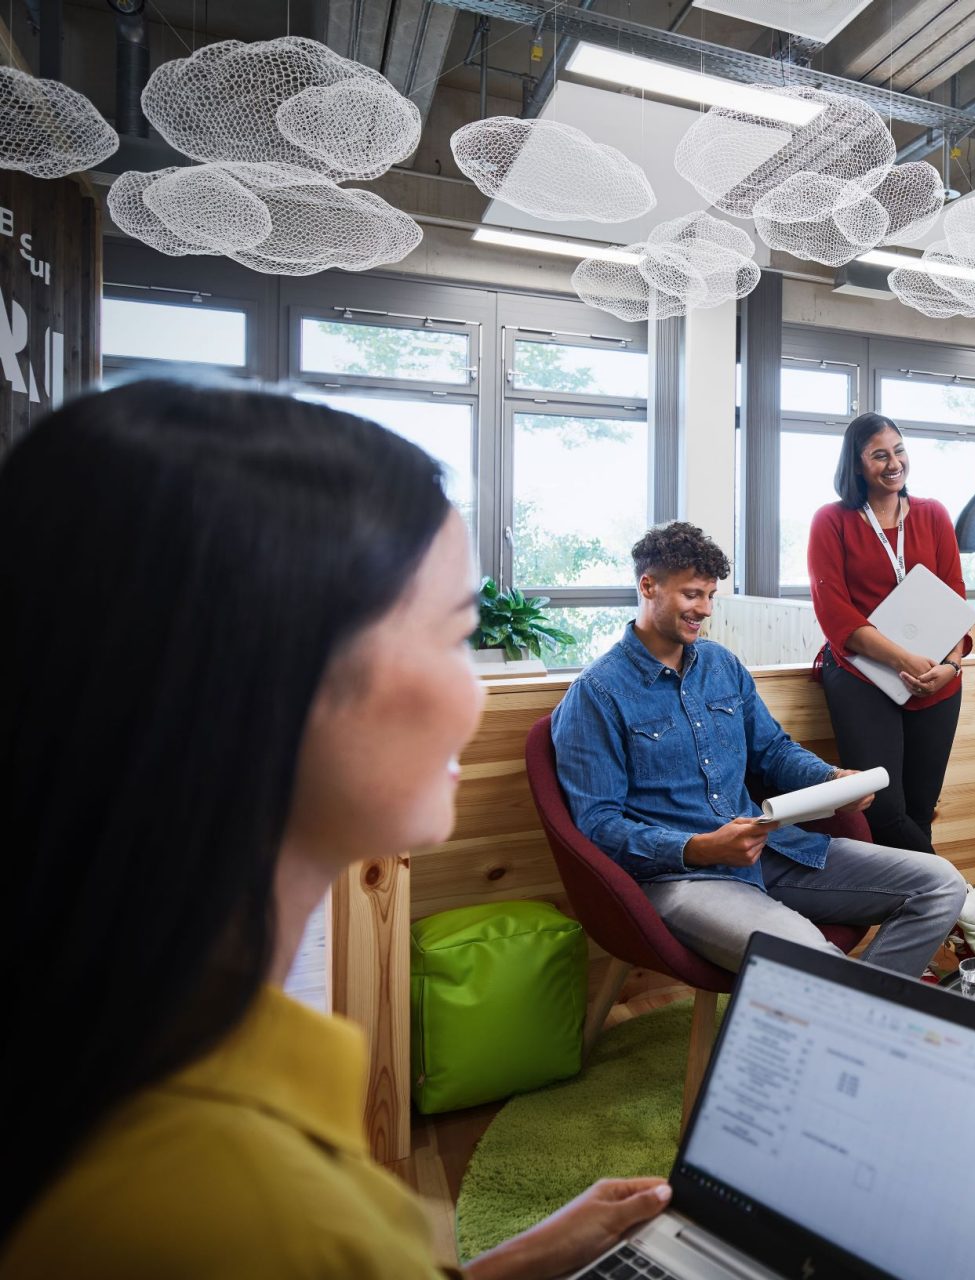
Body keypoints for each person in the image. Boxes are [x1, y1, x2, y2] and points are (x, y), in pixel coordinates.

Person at [0, 383, 674, 1278]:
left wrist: (523, 1260)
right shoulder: (247, 1216)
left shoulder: (104, 1069)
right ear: (264, 673)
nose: (472, 691)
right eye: (452, 636)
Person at [553, 520, 967, 976]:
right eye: (692, 594)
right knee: (813, 962)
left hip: (771, 852)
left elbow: (774, 753)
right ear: (648, 585)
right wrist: (700, 848)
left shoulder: (721, 665)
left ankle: (858, 1017)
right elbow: (598, 827)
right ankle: (860, 1021)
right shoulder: (597, 693)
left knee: (941, 884)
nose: (704, 609)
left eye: (710, 595)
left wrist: (830, 781)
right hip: (682, 878)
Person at [807, 412, 971, 855]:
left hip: (935, 681)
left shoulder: (934, 515)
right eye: (879, 455)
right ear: (857, 465)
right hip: (863, 678)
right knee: (882, 810)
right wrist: (903, 659)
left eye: (899, 450)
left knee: (920, 810)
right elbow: (834, 611)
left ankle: (926, 918)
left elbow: (956, 599)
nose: (893, 462)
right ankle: (955, 898)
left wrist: (951, 666)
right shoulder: (832, 520)